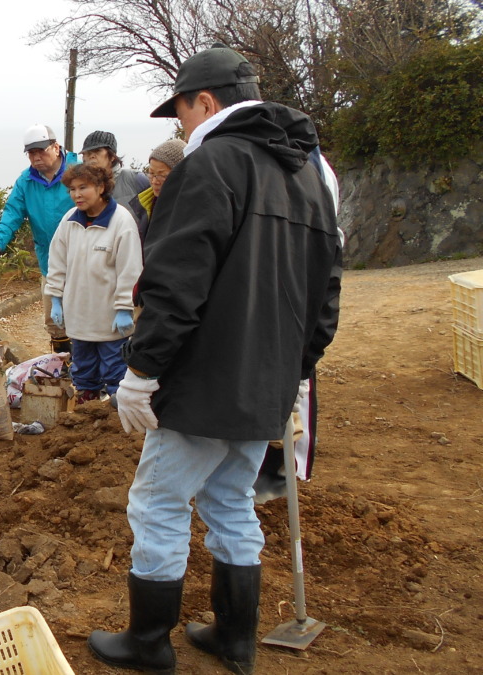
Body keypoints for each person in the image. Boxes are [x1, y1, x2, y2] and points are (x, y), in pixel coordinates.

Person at [87, 45, 342, 675]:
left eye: (180, 112)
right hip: (268, 381)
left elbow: (175, 282)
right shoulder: (309, 175)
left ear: (204, 102)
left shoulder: (210, 166)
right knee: (230, 498)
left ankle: (149, 642)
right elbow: (327, 289)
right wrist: (295, 367)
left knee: (158, 502)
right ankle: (235, 637)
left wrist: (142, 371)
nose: (180, 128)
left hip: (204, 381)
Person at [44, 163, 142, 406]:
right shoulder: (70, 220)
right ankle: (86, 404)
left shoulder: (121, 221)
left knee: (115, 367)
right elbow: (57, 261)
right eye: (72, 189)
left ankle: (118, 411)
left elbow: (130, 270)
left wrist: (124, 308)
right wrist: (55, 298)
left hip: (110, 316)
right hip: (79, 312)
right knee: (83, 365)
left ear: (101, 187)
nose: (76, 194)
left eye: (83, 187)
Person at [0, 125, 79, 354]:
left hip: (83, 260)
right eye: (31, 153)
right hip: (50, 262)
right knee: (54, 321)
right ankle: (63, 365)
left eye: (41, 151)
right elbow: (12, 213)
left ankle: (90, 368)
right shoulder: (26, 181)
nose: (36, 158)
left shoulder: (78, 172)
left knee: (85, 318)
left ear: (56, 148)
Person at [127, 138, 186, 242]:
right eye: (151, 173)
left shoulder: (187, 210)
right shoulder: (145, 205)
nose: (154, 181)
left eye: (162, 175)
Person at [79, 130, 151, 208]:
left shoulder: (135, 178)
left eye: (97, 151)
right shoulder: (79, 186)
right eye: (87, 153)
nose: (92, 156)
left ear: (112, 156)